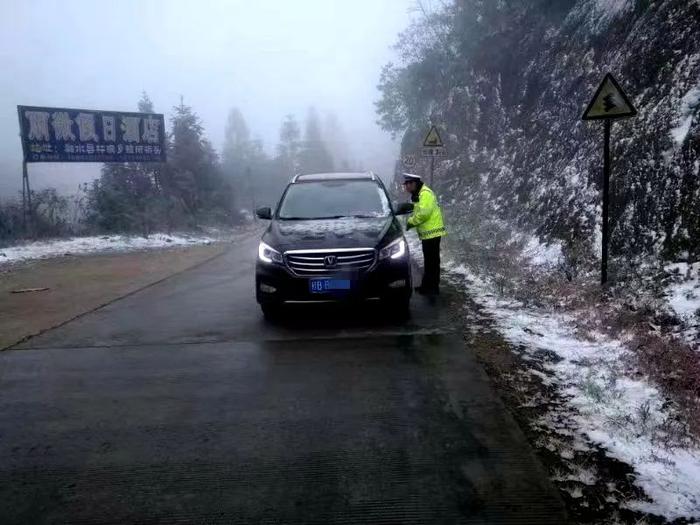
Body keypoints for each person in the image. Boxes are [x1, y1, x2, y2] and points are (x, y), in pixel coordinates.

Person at [402, 173, 447, 295]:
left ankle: (431, 288)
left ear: (413, 184)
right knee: (430, 261)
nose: (405, 188)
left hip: (431, 233)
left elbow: (423, 214)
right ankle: (428, 286)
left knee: (432, 262)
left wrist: (411, 222)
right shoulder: (419, 194)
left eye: (407, 185)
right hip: (428, 233)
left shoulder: (425, 194)